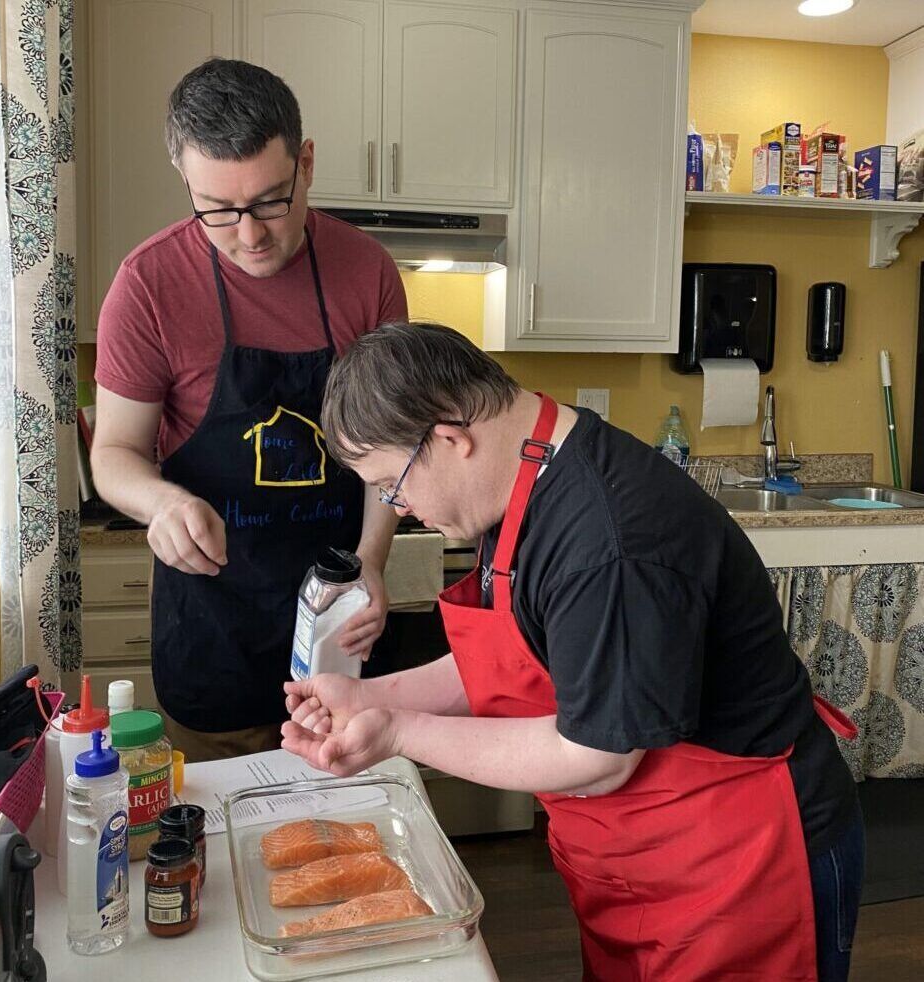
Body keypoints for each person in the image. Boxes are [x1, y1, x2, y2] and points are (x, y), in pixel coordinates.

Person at [281, 323, 865, 982]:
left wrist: (397, 731)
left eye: (393, 485)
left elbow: (596, 758)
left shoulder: (609, 541)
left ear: (450, 438)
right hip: (641, 864)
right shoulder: (521, 477)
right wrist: (365, 696)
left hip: (743, 863)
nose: (400, 507)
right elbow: (514, 659)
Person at [90, 59, 406, 762]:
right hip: (214, 634)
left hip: (338, 626)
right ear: (187, 183)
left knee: (345, 843)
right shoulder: (147, 285)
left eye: (271, 201)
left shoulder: (368, 272)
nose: (249, 234)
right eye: (218, 210)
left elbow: (394, 448)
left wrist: (373, 559)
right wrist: (162, 505)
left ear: (307, 164)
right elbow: (113, 454)